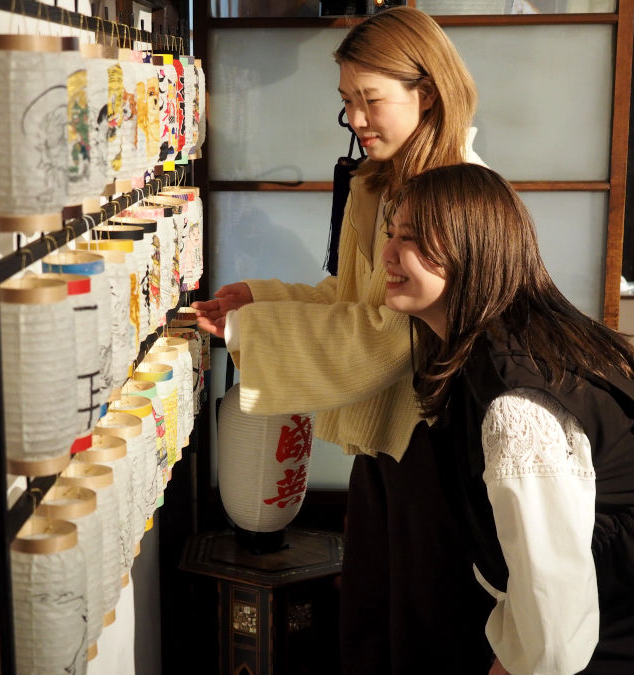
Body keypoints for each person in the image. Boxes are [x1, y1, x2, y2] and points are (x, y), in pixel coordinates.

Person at [193, 7, 494, 673]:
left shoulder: (456, 193)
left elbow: (391, 335)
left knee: (420, 627)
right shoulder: (381, 181)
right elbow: (353, 298)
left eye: (371, 99)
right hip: (394, 433)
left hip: (439, 441)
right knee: (373, 614)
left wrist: (251, 329)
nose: (356, 118)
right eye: (347, 100)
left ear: (427, 93)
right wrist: (263, 299)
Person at [382, 162, 634, 674]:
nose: (387, 253)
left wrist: (516, 662)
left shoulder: (519, 403)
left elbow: (555, 628)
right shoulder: (510, 337)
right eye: (390, 234)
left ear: (470, 249)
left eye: (409, 238)